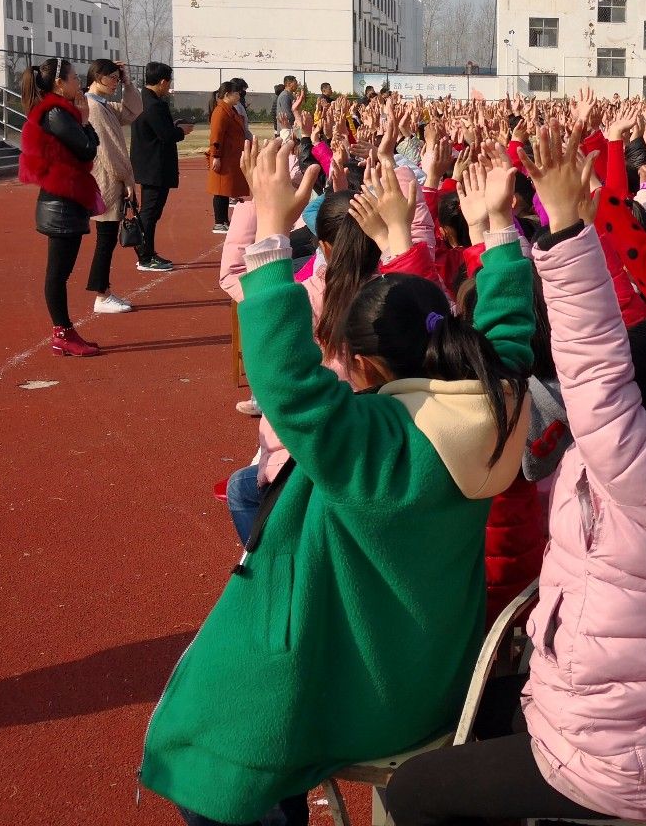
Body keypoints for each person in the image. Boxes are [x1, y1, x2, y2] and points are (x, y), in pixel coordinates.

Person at [140, 136, 535, 826]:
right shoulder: (495, 401)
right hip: (436, 675)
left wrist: (268, 235)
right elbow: (507, 329)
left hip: (368, 695)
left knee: (218, 745)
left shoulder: (375, 446)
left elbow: (287, 384)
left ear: (362, 364)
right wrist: (497, 231)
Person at [384, 124, 646, 826]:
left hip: (608, 757)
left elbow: (592, 356)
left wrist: (564, 230)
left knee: (412, 790)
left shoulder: (635, 467)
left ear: (636, 405)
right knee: (480, 715)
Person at [17, 58, 103, 358]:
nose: (78, 83)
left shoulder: (59, 112)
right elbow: (88, 148)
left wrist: (82, 121)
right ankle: (62, 333)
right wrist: (86, 119)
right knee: (57, 274)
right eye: (74, 78)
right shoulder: (57, 113)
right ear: (58, 82)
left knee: (59, 272)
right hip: (60, 204)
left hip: (64, 199)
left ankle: (64, 331)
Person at [82, 59, 142, 313]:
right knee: (105, 239)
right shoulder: (94, 108)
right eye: (113, 78)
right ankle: (101, 294)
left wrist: (128, 83)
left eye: (118, 78)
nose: (116, 82)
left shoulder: (102, 105)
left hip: (109, 178)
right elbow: (108, 151)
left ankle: (103, 291)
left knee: (106, 239)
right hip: (106, 180)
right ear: (98, 77)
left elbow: (133, 111)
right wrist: (127, 178)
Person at [130, 62, 190, 273]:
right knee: (150, 212)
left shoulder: (144, 101)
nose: (169, 86)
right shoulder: (154, 105)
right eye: (169, 82)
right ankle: (145, 256)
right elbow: (165, 135)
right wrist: (181, 131)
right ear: (163, 81)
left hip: (149, 165)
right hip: (154, 167)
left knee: (151, 212)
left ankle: (147, 252)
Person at [207, 82, 248, 233]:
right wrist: (216, 156)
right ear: (227, 95)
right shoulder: (220, 112)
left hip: (230, 156)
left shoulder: (229, 110)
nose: (239, 96)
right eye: (236, 93)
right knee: (220, 188)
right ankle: (219, 221)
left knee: (225, 189)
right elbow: (216, 136)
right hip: (223, 156)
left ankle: (224, 220)